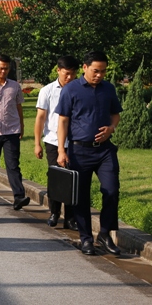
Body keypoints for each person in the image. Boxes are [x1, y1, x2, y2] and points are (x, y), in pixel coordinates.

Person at [56, 51, 123, 256]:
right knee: (81, 197)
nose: (99, 75)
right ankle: (86, 238)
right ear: (85, 68)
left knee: (111, 190)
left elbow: (115, 115)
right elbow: (63, 121)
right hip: (79, 151)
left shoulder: (108, 89)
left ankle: (104, 233)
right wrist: (61, 150)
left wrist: (111, 128)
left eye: (103, 71)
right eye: (96, 71)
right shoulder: (71, 90)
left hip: (104, 151)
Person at [34, 55, 79, 230]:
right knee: (57, 178)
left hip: (74, 141)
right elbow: (40, 118)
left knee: (73, 179)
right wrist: (37, 143)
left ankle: (71, 218)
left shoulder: (78, 89)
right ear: (58, 70)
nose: (70, 77)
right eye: (67, 74)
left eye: (73, 74)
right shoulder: (47, 90)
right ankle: (54, 212)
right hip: (53, 140)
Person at [0, 54, 30, 210]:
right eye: (1, 68)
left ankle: (19, 196)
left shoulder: (15, 86)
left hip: (12, 130)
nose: (3, 71)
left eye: (6, 68)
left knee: (12, 165)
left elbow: (18, 107)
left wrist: (22, 126)